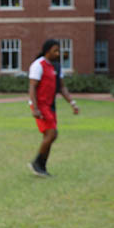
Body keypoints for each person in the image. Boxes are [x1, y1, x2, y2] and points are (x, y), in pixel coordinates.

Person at [27, 38, 79, 177]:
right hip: (40, 105)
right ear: (47, 50)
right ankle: (37, 164)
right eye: (55, 50)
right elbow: (32, 87)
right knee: (51, 134)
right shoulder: (38, 65)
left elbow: (61, 87)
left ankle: (41, 166)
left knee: (51, 135)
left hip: (51, 106)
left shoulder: (56, 66)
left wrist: (72, 103)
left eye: (58, 51)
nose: (58, 53)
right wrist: (35, 108)